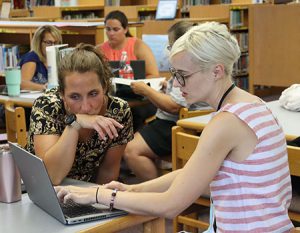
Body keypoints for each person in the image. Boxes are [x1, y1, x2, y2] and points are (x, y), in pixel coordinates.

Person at [56, 22, 293, 232]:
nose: (177, 85)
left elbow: (170, 205)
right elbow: (192, 174)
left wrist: (99, 195)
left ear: (216, 71)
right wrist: (134, 191)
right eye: (174, 74)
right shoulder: (254, 104)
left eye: (184, 76)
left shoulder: (226, 122)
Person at [27, 43, 134, 185]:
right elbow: (51, 176)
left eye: (93, 94)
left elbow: (108, 172)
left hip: (87, 193)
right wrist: (74, 124)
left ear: (105, 87)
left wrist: (95, 202)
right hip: (40, 191)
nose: (85, 107)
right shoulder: (47, 106)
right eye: (74, 97)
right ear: (62, 94)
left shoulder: (119, 112)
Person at [123, 21, 210, 181]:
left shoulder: (185, 64)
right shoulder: (202, 60)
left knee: (130, 149)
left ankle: (156, 194)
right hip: (195, 120)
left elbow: (173, 106)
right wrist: (168, 86)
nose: (169, 50)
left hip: (178, 124)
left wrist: (146, 90)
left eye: (170, 46)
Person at [98, 10, 159, 78]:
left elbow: (154, 75)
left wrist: (139, 86)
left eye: (116, 29)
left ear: (125, 29)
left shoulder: (138, 46)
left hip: (137, 86)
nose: (111, 33)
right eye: (108, 29)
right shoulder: (99, 50)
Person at [19, 25, 62, 91]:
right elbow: (22, 84)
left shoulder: (56, 58)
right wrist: (43, 87)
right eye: (49, 42)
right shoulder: (32, 58)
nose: (53, 46)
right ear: (39, 43)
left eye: (56, 43)